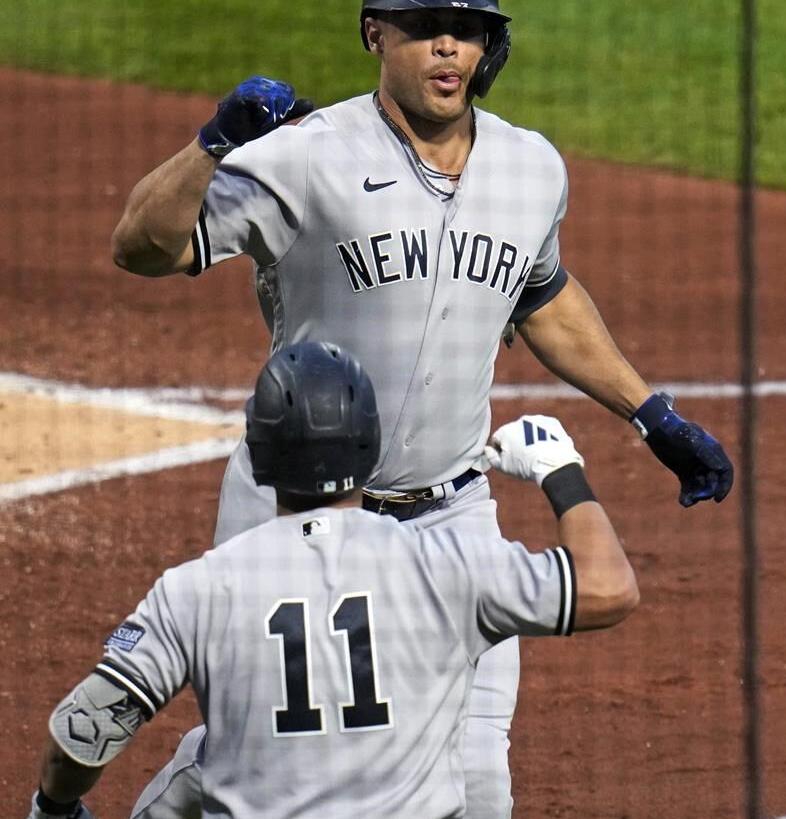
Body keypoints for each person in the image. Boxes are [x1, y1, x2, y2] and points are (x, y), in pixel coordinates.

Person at [110, 1, 732, 814]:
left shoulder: (529, 167)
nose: (448, 44)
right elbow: (142, 247)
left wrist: (650, 412)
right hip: (293, 513)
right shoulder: (307, 155)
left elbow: (539, 296)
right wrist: (211, 145)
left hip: (450, 518)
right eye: (424, 23)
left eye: (467, 27)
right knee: (264, 756)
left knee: (475, 780)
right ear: (375, 34)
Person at [26, 341, 639, 819]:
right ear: (370, 447)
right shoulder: (449, 565)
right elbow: (608, 588)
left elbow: (84, 731)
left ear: (260, 457)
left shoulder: (198, 588)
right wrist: (561, 472)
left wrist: (54, 807)